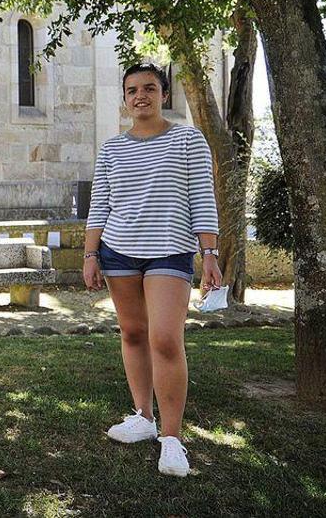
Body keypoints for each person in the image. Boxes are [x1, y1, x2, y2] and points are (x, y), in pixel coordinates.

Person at [83, 62, 222, 478]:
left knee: (164, 339)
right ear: (124, 99)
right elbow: (100, 206)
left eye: (148, 88)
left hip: (169, 252)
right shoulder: (112, 148)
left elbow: (202, 197)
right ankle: (143, 417)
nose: (140, 96)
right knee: (133, 333)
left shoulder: (189, 140)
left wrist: (210, 253)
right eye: (131, 91)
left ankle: (172, 440)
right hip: (118, 253)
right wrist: (91, 256)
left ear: (164, 93)